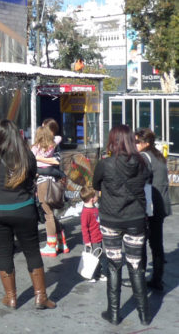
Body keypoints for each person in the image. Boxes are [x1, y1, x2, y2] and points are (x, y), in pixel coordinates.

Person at [0, 119, 56, 310]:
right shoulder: (27, 156)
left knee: (4, 252)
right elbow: (32, 177)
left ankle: (11, 297)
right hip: (22, 209)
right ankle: (41, 297)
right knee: (32, 251)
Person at [93, 125, 151, 326]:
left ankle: (114, 313)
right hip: (135, 219)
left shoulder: (106, 164)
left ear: (113, 141)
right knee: (136, 266)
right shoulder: (143, 163)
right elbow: (147, 182)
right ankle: (144, 315)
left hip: (111, 220)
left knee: (114, 265)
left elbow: (95, 184)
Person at [135, 127, 172, 291]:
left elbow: (142, 182)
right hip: (162, 204)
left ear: (146, 143)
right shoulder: (159, 156)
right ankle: (157, 278)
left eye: (137, 142)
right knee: (157, 243)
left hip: (150, 205)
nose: (134, 145)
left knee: (141, 242)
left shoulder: (144, 157)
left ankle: (140, 278)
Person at [32, 125, 69, 256]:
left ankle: (51, 245)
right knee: (51, 213)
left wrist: (37, 158)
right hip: (52, 181)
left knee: (48, 215)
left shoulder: (35, 148)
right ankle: (61, 241)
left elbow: (31, 160)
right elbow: (58, 137)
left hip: (42, 183)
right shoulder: (53, 145)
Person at [79, 185, 107, 282]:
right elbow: (84, 228)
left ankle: (98, 274)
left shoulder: (94, 208)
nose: (97, 197)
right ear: (92, 199)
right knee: (92, 259)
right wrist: (87, 242)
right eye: (95, 196)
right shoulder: (86, 212)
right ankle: (91, 275)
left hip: (98, 237)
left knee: (98, 257)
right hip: (92, 240)